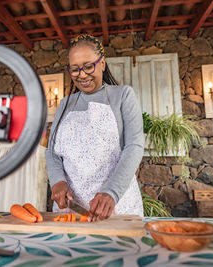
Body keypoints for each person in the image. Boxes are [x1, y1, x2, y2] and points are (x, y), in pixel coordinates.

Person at [45, 34, 144, 221]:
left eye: (88, 66)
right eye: (74, 70)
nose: (82, 75)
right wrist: (57, 181)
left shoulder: (123, 95)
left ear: (103, 64)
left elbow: (134, 146)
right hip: (70, 209)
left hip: (115, 205)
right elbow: (52, 152)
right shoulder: (65, 104)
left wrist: (112, 192)